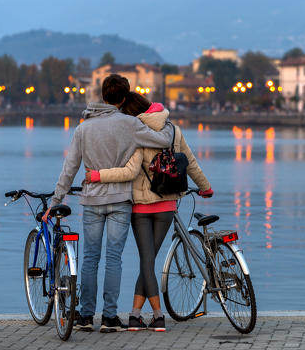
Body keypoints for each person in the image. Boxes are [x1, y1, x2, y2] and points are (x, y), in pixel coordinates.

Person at [42, 74, 174, 333]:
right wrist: (167, 123)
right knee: (114, 258)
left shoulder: (83, 128)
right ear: (124, 98)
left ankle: (87, 316)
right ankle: (110, 318)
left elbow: (69, 170)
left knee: (90, 258)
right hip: (121, 200)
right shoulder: (130, 124)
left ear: (103, 96)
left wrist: (55, 201)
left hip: (92, 199)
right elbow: (164, 141)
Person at [84, 92, 213, 332]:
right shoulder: (172, 130)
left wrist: (97, 175)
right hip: (167, 204)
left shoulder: (137, 133)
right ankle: (135, 315)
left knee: (147, 261)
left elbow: (130, 172)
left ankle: (156, 316)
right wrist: (205, 187)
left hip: (140, 207)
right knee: (149, 260)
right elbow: (191, 162)